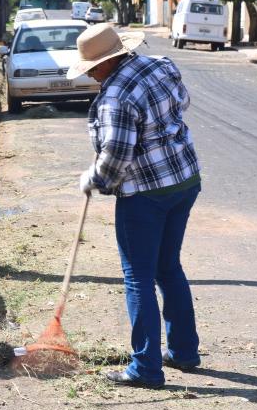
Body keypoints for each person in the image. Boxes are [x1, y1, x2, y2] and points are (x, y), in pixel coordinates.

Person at [66, 23, 202, 389]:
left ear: (109, 61)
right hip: (185, 180)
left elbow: (116, 157)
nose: (92, 74)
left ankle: (145, 368)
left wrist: (92, 179)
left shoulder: (116, 99)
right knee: (168, 267)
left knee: (138, 276)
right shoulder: (161, 65)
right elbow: (182, 104)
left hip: (146, 194)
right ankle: (185, 352)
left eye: (93, 67)